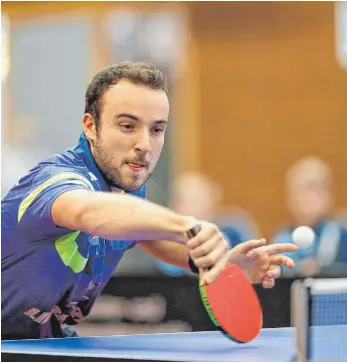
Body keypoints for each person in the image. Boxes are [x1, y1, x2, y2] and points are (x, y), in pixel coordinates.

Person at [1, 61, 297, 340]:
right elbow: (87, 211)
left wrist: (211, 261)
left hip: (46, 342)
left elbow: (148, 236)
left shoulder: (124, 183)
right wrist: (187, 225)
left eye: (156, 129)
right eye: (128, 126)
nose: (144, 145)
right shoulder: (58, 182)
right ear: (90, 126)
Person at [272, 156, 347, 277]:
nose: (305, 198)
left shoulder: (342, 236)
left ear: (328, 197)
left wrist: (322, 271)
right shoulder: (279, 239)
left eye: (313, 190)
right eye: (298, 191)